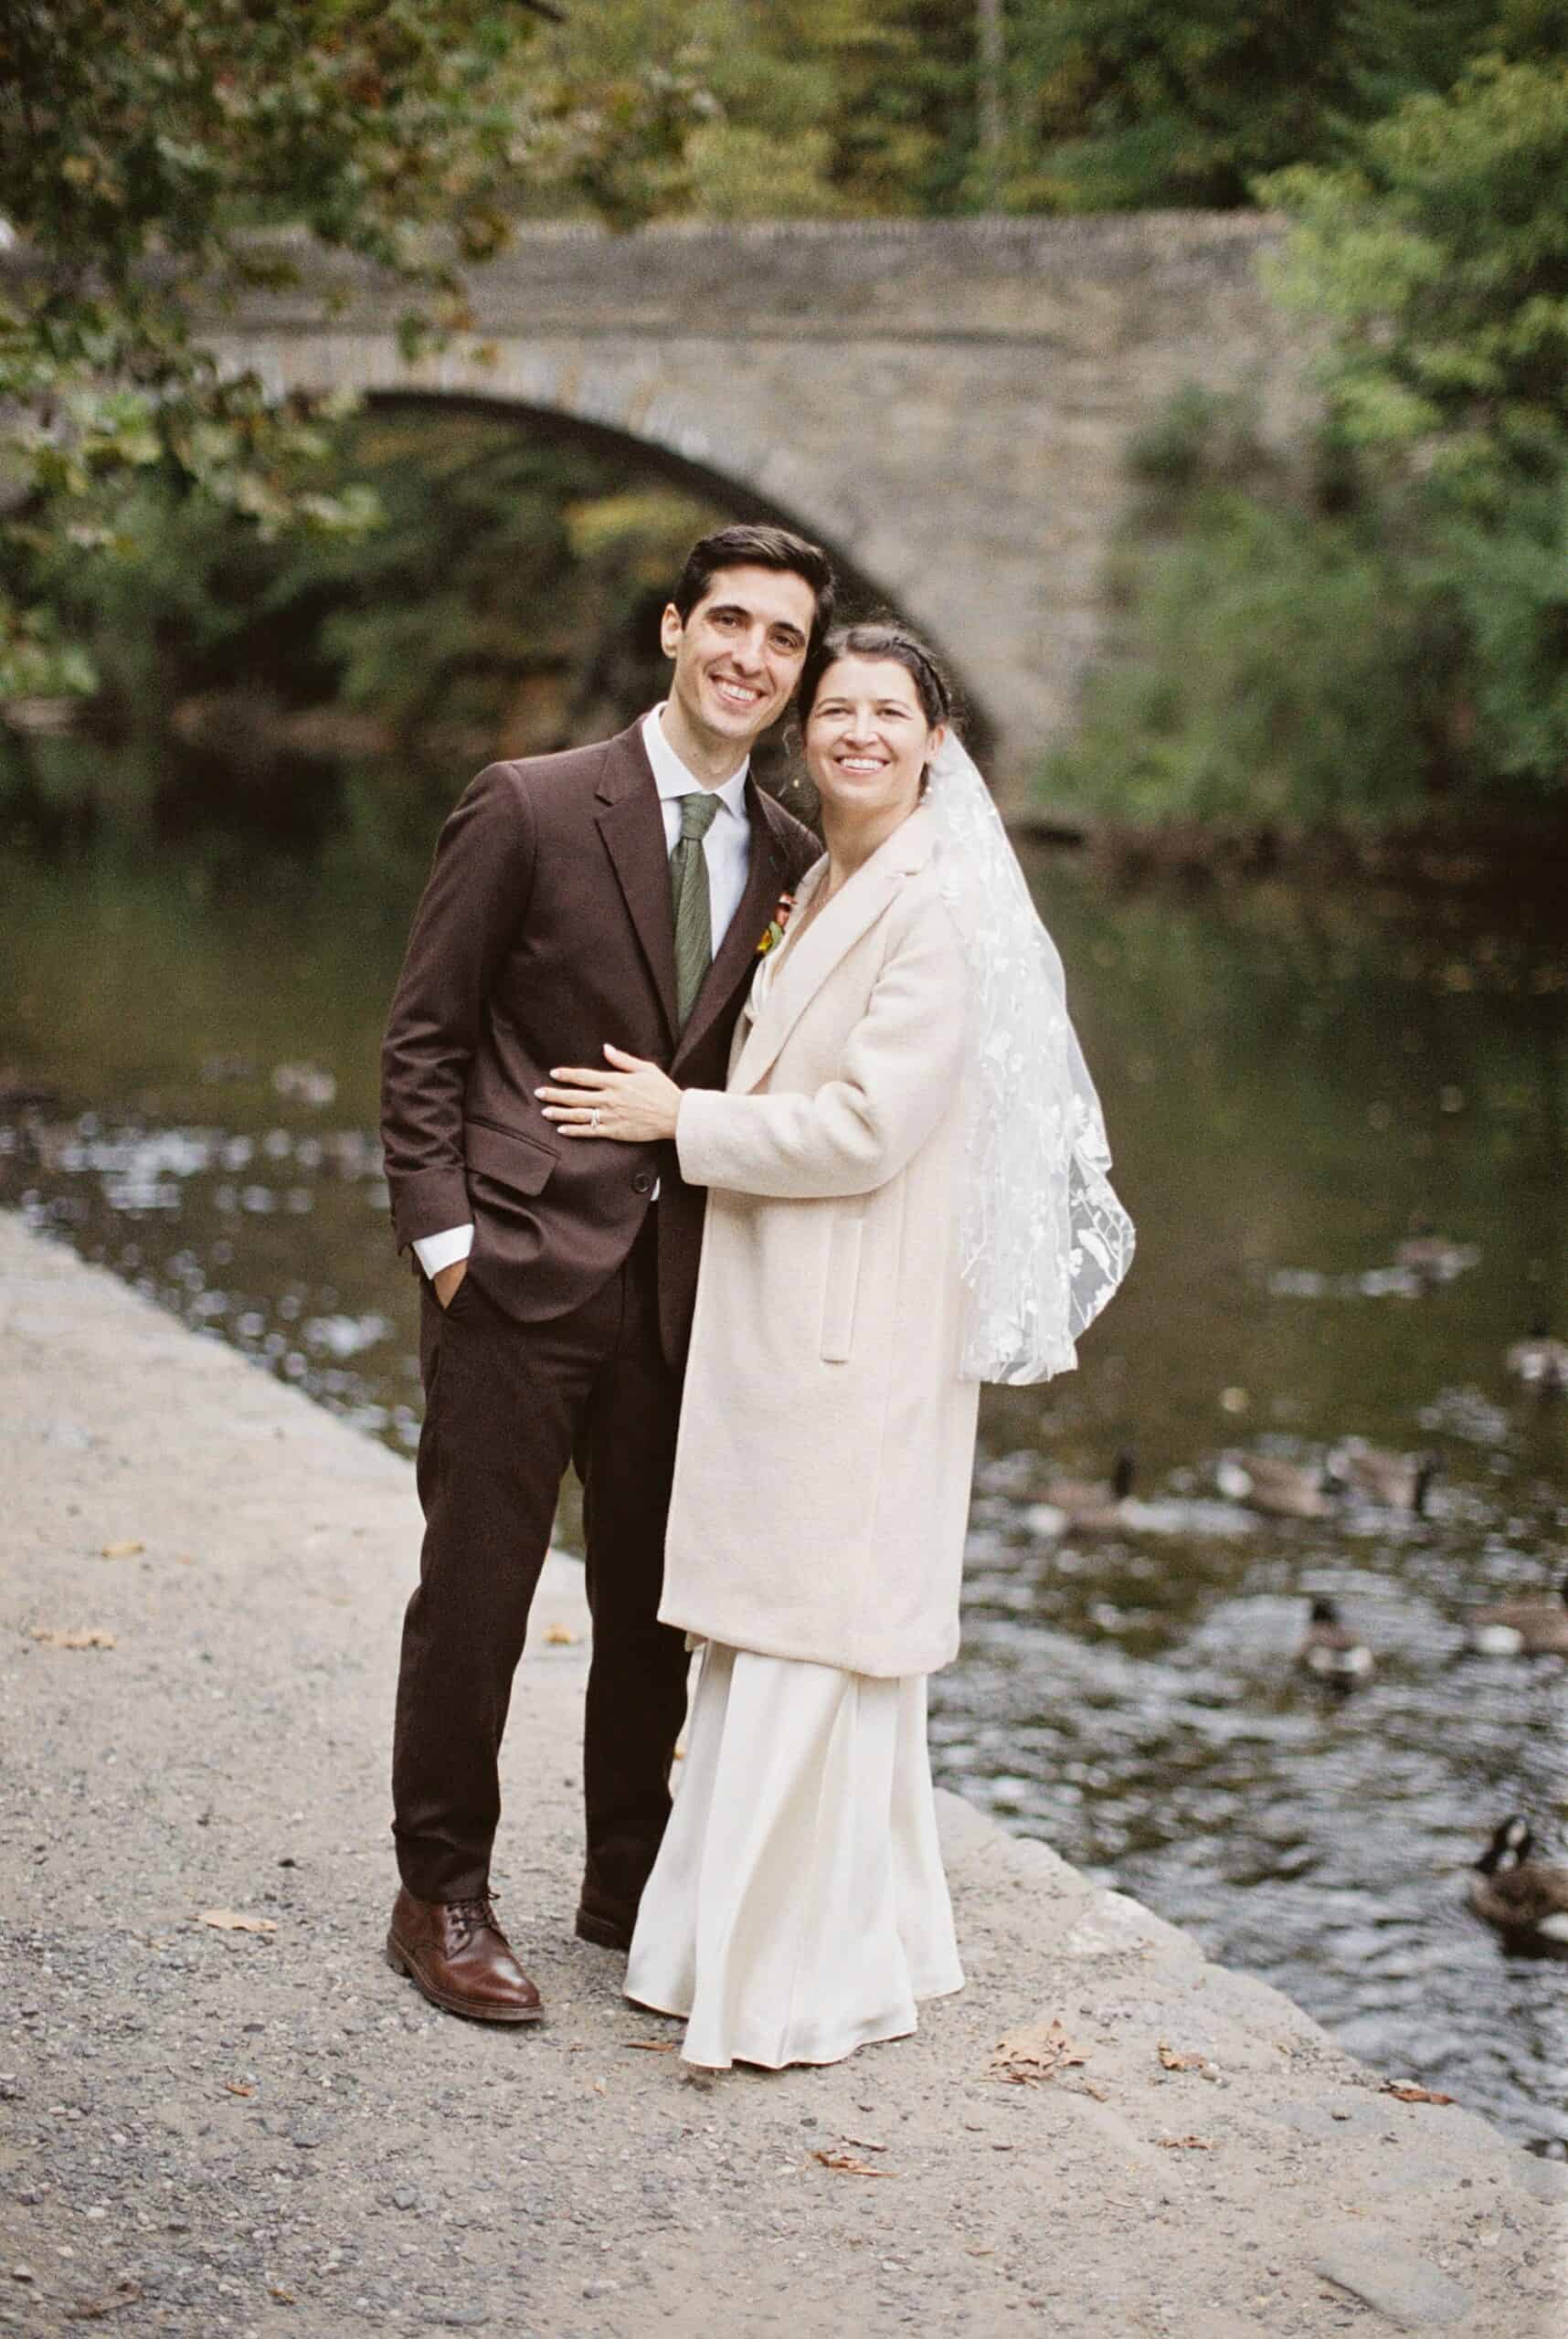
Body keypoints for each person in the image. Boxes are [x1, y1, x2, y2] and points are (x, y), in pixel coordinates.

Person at [536, 621, 1135, 2068]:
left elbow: (869, 1129)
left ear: (940, 737)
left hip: (847, 1333)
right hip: (786, 1315)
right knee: (780, 1636)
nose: (857, 731)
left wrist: (682, 1123)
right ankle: (831, 1936)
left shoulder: (933, 903)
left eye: (888, 711)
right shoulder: (827, 876)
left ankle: (785, 1978)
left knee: (810, 1637)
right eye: (837, 710)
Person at [378, 524, 831, 2024]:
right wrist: (446, 1241)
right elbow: (425, 1039)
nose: (752, 659)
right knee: (478, 1599)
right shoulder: (530, 805)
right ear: (672, 628)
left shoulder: (793, 855)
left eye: (783, 641)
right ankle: (438, 1894)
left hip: (683, 1293)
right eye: (732, 625)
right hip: (511, 1272)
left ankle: (625, 1887)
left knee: (651, 1609)